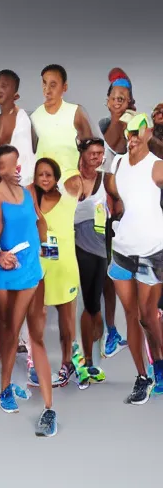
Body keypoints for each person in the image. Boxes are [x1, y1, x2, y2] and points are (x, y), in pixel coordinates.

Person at [0, 145, 55, 436]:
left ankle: (49, 408)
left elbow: (40, 222)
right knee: (10, 331)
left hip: (32, 268)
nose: (13, 169)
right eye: (5, 165)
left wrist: (43, 246)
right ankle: (4, 388)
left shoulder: (28, 191)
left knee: (35, 336)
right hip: (7, 271)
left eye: (15, 163)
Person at [105, 113, 163, 403]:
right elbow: (113, 191)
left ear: (149, 133)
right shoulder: (117, 164)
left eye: (137, 132)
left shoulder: (157, 167)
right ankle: (143, 376)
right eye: (128, 133)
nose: (132, 138)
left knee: (148, 317)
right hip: (122, 250)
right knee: (130, 316)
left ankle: (161, 363)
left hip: (152, 253)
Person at [0, 69, 37, 363]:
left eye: (6, 86)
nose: (0, 89)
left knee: (20, 266)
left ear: (15, 93)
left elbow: (23, 157)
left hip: (18, 195)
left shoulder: (21, 117)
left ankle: (19, 338)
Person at [30, 158, 82, 388]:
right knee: (36, 317)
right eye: (40, 174)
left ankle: (67, 363)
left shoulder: (69, 200)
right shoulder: (30, 199)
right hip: (40, 266)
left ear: (57, 178)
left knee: (66, 322)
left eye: (49, 174)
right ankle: (35, 365)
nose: (44, 178)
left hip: (64, 267)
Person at [95, 70, 135, 357]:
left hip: (128, 208)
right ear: (107, 102)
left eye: (124, 97)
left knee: (131, 271)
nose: (118, 101)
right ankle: (109, 331)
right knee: (104, 273)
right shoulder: (104, 124)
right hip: (100, 208)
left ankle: (137, 329)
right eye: (114, 97)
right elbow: (110, 147)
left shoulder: (137, 128)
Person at [72, 138, 110, 388]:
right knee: (84, 305)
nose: (97, 157)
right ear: (82, 154)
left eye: (100, 153)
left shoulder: (107, 180)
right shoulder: (70, 179)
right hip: (73, 246)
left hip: (101, 248)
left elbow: (117, 208)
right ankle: (81, 361)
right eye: (92, 153)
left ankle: (90, 360)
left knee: (95, 306)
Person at [30, 64, 94, 174]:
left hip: (72, 182)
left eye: (53, 85)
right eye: (44, 84)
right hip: (45, 184)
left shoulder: (75, 112)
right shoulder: (34, 117)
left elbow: (91, 150)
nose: (47, 90)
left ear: (64, 87)